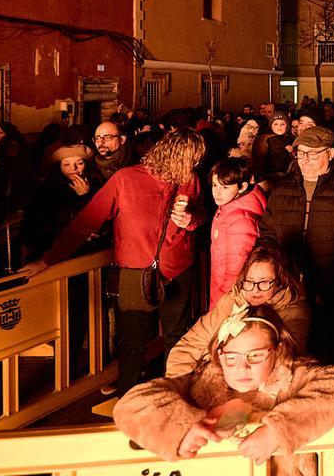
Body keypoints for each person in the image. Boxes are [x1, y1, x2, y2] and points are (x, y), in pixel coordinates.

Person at [22, 129, 206, 395]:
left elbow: (200, 215)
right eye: (191, 160)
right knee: (132, 342)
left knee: (175, 338)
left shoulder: (190, 179)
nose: (192, 167)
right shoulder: (126, 179)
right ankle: (129, 399)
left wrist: (191, 220)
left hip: (177, 268)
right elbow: (86, 222)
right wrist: (48, 260)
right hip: (135, 272)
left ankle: (171, 396)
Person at [114, 304, 334, 473]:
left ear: (278, 350)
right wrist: (184, 426)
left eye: (255, 355)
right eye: (232, 358)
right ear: (220, 356)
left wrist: (278, 431)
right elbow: (131, 405)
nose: (242, 367)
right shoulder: (199, 383)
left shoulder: (294, 377)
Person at [257, 125, 334, 378]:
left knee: (332, 358)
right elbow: (267, 235)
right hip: (287, 291)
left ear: (330, 154)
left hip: (332, 294)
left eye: (312, 154)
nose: (304, 160)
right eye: (300, 153)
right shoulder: (283, 188)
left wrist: (326, 287)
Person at [168, 246, 310, 376]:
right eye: (249, 281)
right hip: (205, 378)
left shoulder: (293, 313)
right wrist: (179, 383)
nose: (255, 290)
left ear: (280, 282)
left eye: (264, 282)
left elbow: (283, 368)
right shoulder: (231, 302)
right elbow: (188, 346)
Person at [22, 144, 103, 261]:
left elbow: (98, 221)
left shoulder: (96, 185)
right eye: (66, 164)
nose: (73, 168)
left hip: (86, 252)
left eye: (79, 163)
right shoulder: (47, 189)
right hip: (53, 249)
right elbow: (32, 219)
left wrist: (85, 197)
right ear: (59, 167)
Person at [208, 157, 267, 310]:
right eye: (214, 185)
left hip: (228, 298)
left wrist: (221, 304)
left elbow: (235, 271)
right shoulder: (228, 206)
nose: (217, 192)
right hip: (221, 289)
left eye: (225, 187)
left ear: (242, 187)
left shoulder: (241, 220)